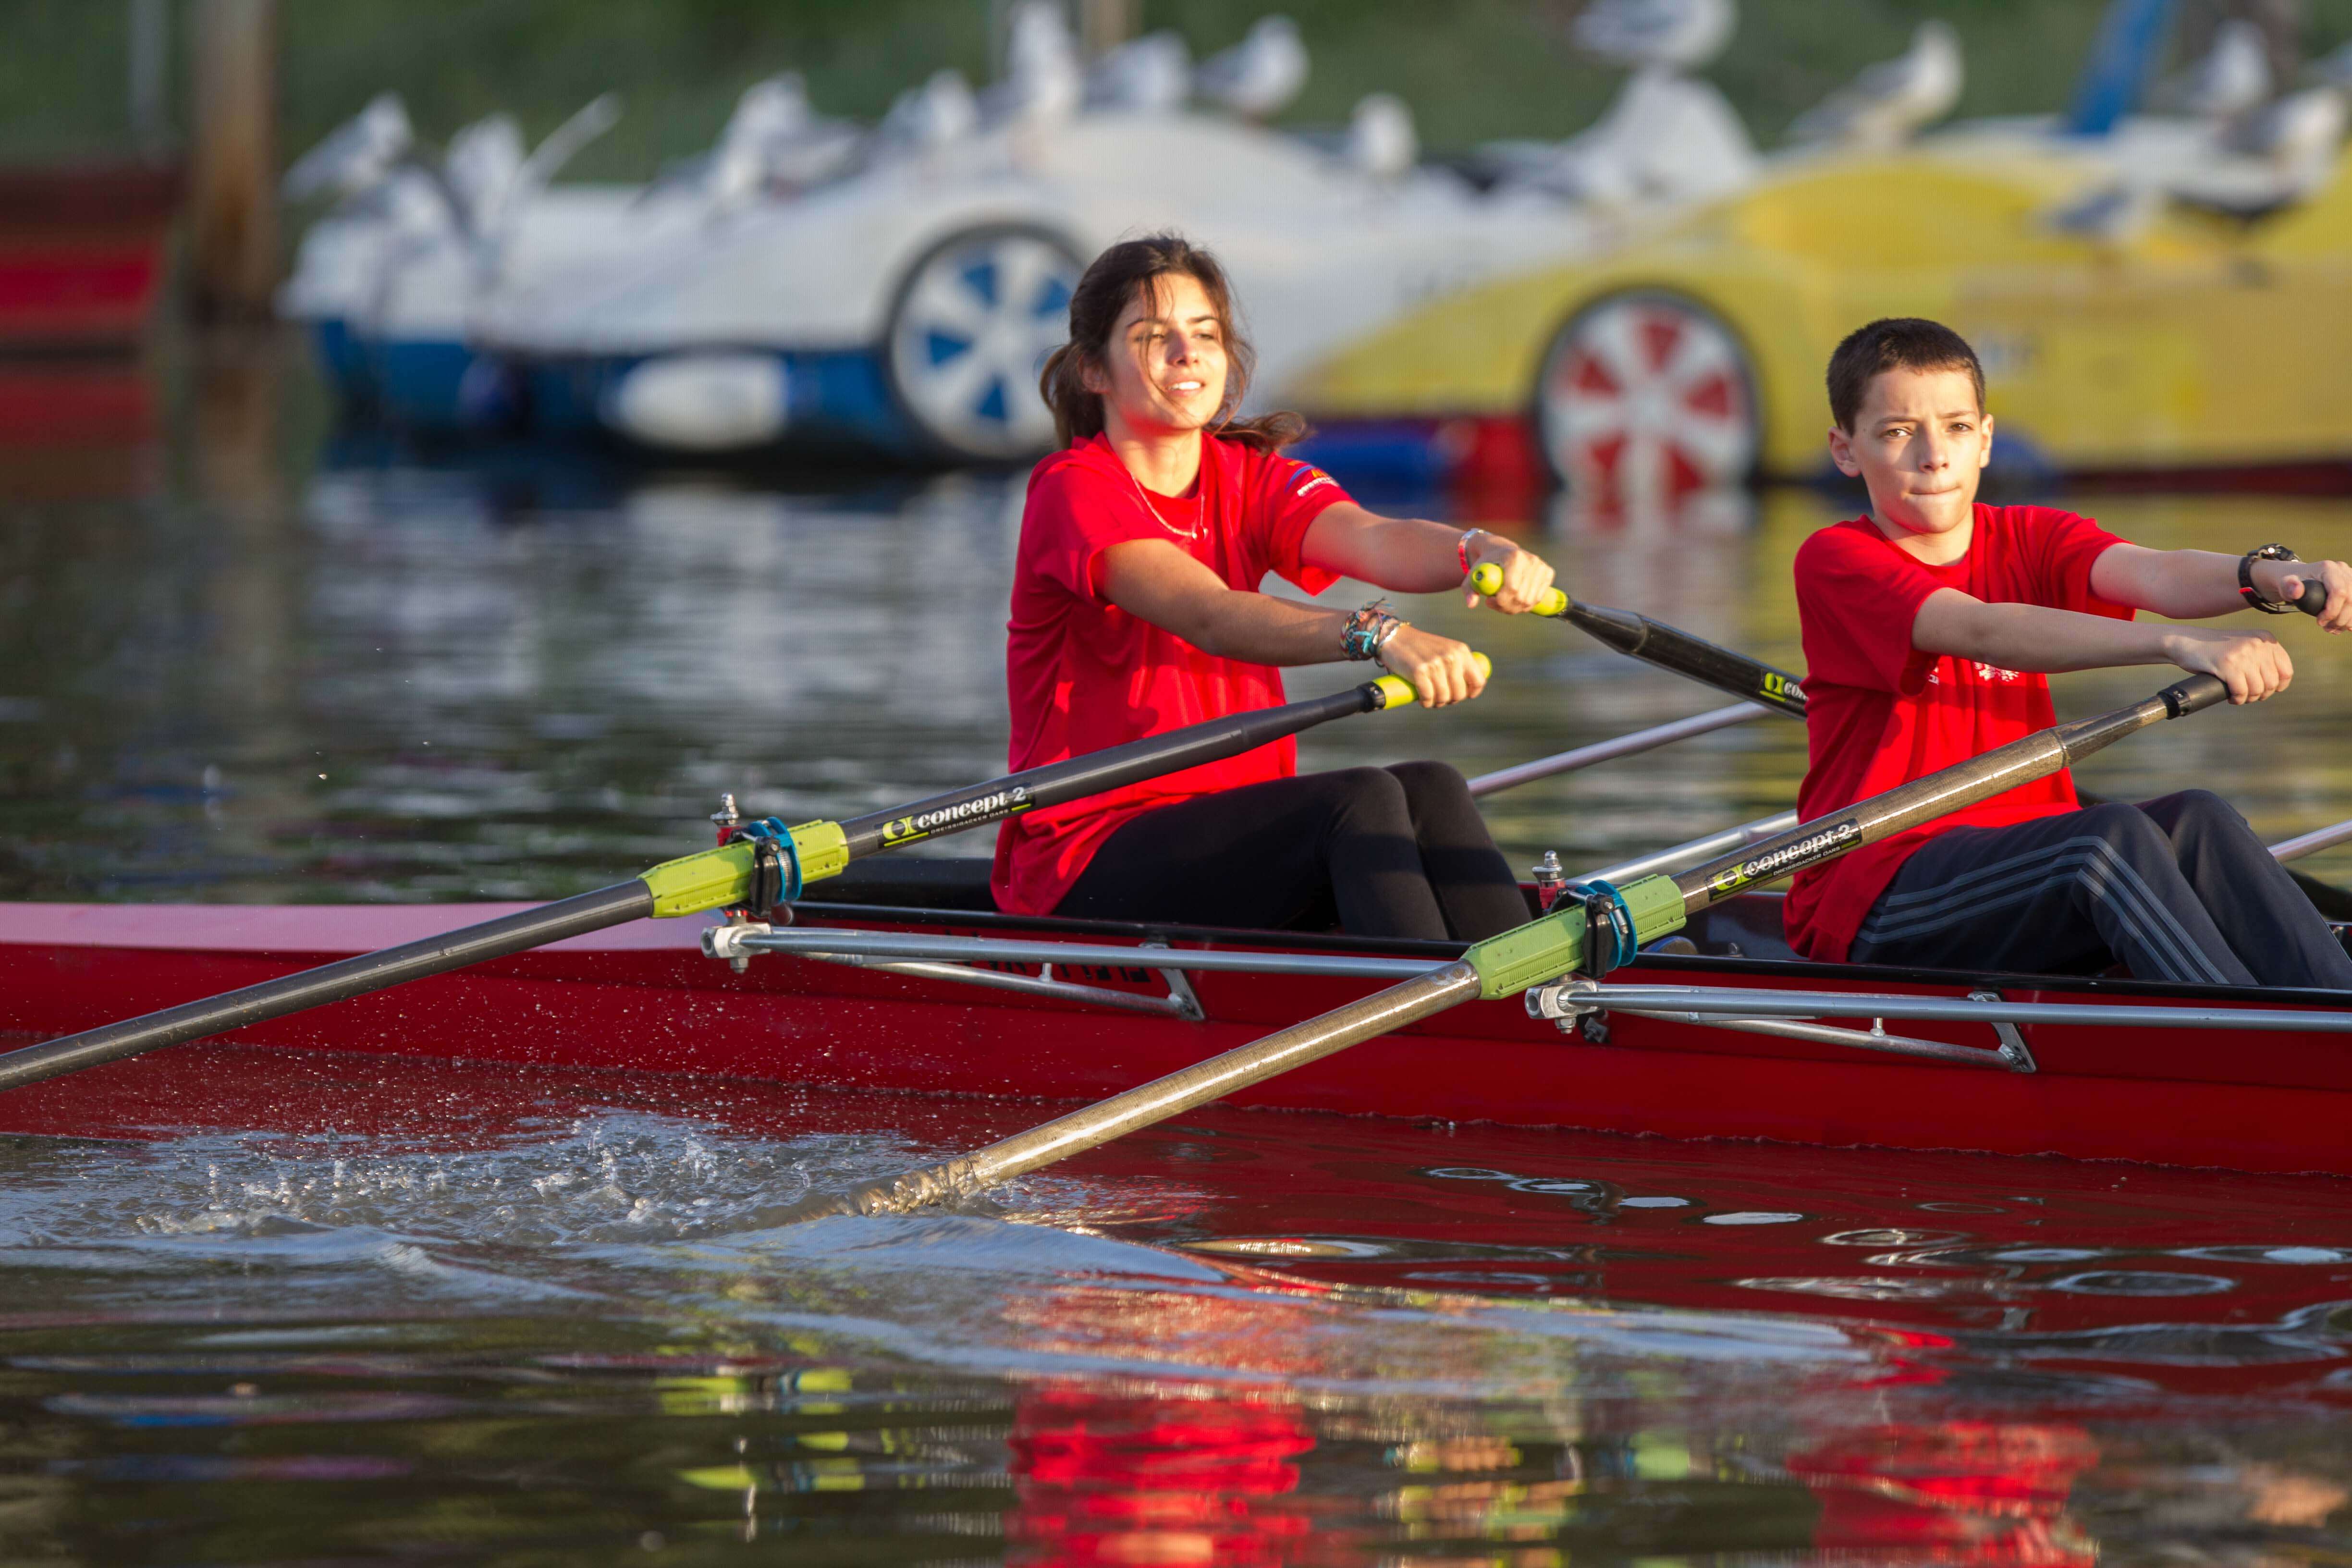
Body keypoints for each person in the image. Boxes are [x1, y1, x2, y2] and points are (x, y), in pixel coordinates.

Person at [991, 234, 1558, 941]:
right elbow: (1210, 615)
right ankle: (1437, 1023)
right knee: (1359, 800)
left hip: (1236, 841)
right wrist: (1380, 636)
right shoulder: (1073, 492)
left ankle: (1546, 1005)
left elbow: (1375, 539)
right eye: (1150, 337)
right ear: (1093, 371)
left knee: (1430, 787)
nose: (1186, 353)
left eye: (1204, 334)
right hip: (1088, 856)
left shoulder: (1249, 476)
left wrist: (1480, 548)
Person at [1787, 316, 2352, 989]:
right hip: (1878, 891)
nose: (1933, 455)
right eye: (1898, 432)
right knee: (2106, 840)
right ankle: (2264, 1054)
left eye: (1957, 427)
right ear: (1845, 450)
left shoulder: (2029, 536)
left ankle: (2330, 1009)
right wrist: (2177, 645)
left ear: (1987, 439)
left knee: (2198, 817)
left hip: (2027, 866)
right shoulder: (1836, 560)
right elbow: (1983, 630)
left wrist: (2273, 575)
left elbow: (2158, 573)